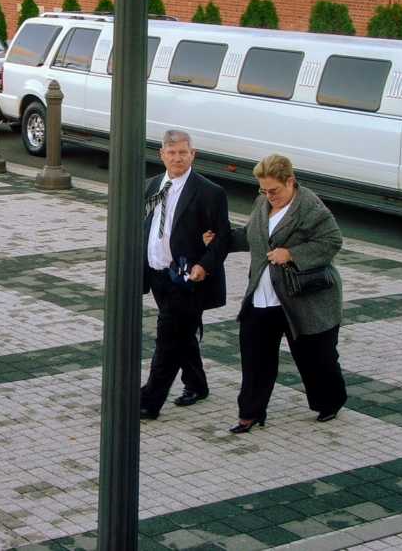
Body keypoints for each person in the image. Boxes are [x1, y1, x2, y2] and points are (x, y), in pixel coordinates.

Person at [207, 154, 346, 433]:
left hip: (306, 299)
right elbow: (252, 236)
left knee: (316, 358)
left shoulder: (310, 207)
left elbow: (332, 241)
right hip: (263, 295)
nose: (269, 196)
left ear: (290, 181)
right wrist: (221, 240)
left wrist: (292, 254)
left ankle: (329, 402)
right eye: (263, 190)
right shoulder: (262, 203)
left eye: (274, 190)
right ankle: (250, 413)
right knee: (255, 357)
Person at [140, 129, 230, 420]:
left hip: (188, 280)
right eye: (171, 152)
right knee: (182, 333)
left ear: (193, 154)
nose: (177, 158)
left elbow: (222, 238)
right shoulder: (150, 186)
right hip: (157, 275)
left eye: (183, 152)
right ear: (161, 154)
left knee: (167, 339)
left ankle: (149, 401)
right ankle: (197, 384)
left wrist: (204, 264)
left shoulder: (209, 192)